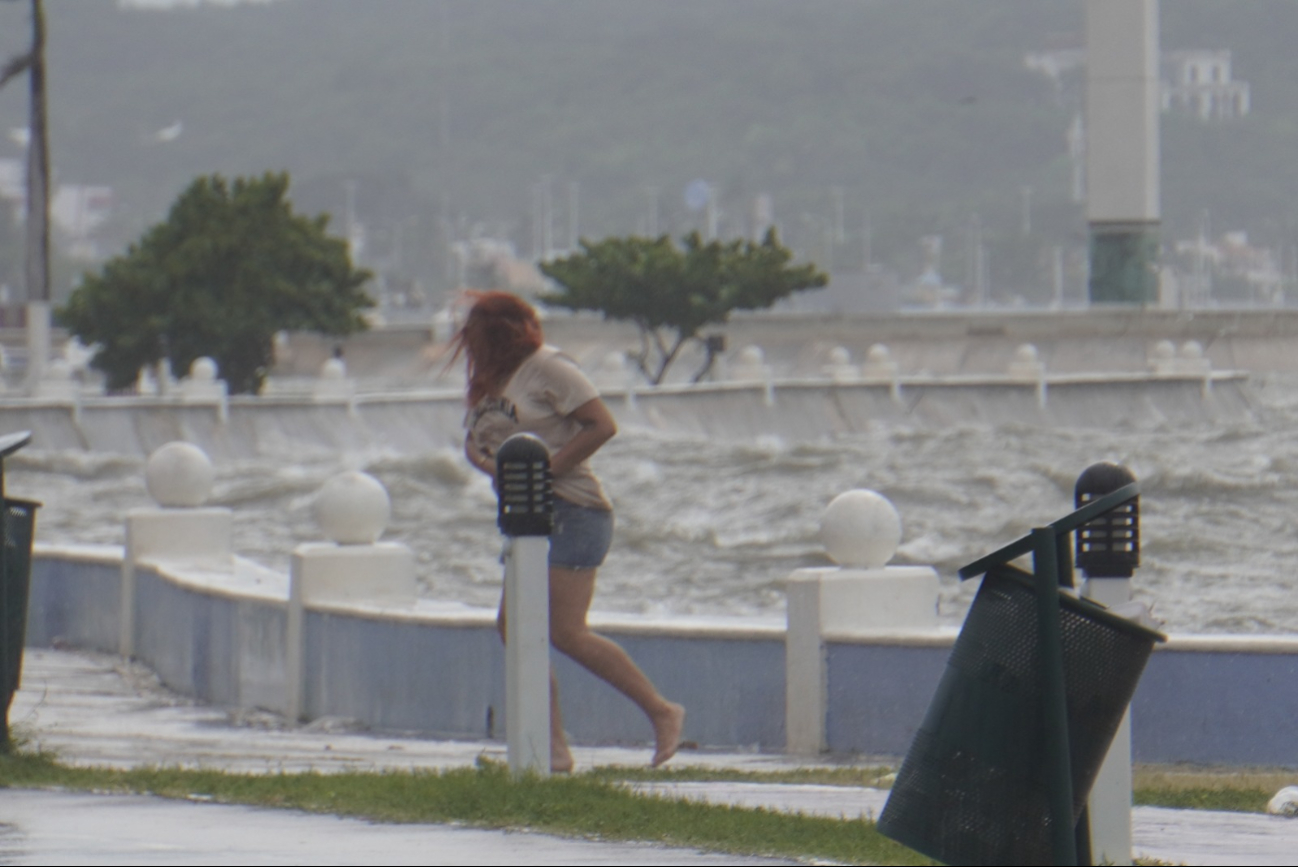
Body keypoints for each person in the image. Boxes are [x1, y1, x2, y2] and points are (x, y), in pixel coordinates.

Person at [451, 290, 685, 772]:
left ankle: (661, 711)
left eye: (477, 335)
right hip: (524, 517)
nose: (470, 346)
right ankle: (551, 748)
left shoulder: (549, 367)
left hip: (573, 511)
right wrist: (485, 463)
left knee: (563, 631)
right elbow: (479, 440)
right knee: (515, 628)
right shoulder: (493, 380)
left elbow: (601, 425)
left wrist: (546, 470)